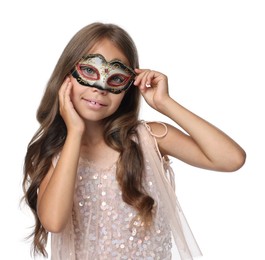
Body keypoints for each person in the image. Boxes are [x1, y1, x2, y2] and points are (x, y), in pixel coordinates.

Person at [22, 22, 246, 260]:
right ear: (67, 75)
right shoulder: (55, 154)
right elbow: (54, 222)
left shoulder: (148, 139)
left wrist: (165, 104)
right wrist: (75, 132)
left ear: (128, 86)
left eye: (116, 78)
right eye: (89, 71)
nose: (101, 87)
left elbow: (231, 159)